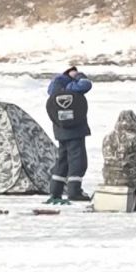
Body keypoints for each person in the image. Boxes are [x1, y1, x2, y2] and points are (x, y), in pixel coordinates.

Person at [45, 65, 93, 203]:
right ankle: (74, 191)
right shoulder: (71, 86)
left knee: (62, 160)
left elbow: (50, 93)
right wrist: (78, 75)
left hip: (60, 130)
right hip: (75, 130)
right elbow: (86, 84)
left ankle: (55, 191)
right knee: (77, 161)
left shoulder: (54, 87)